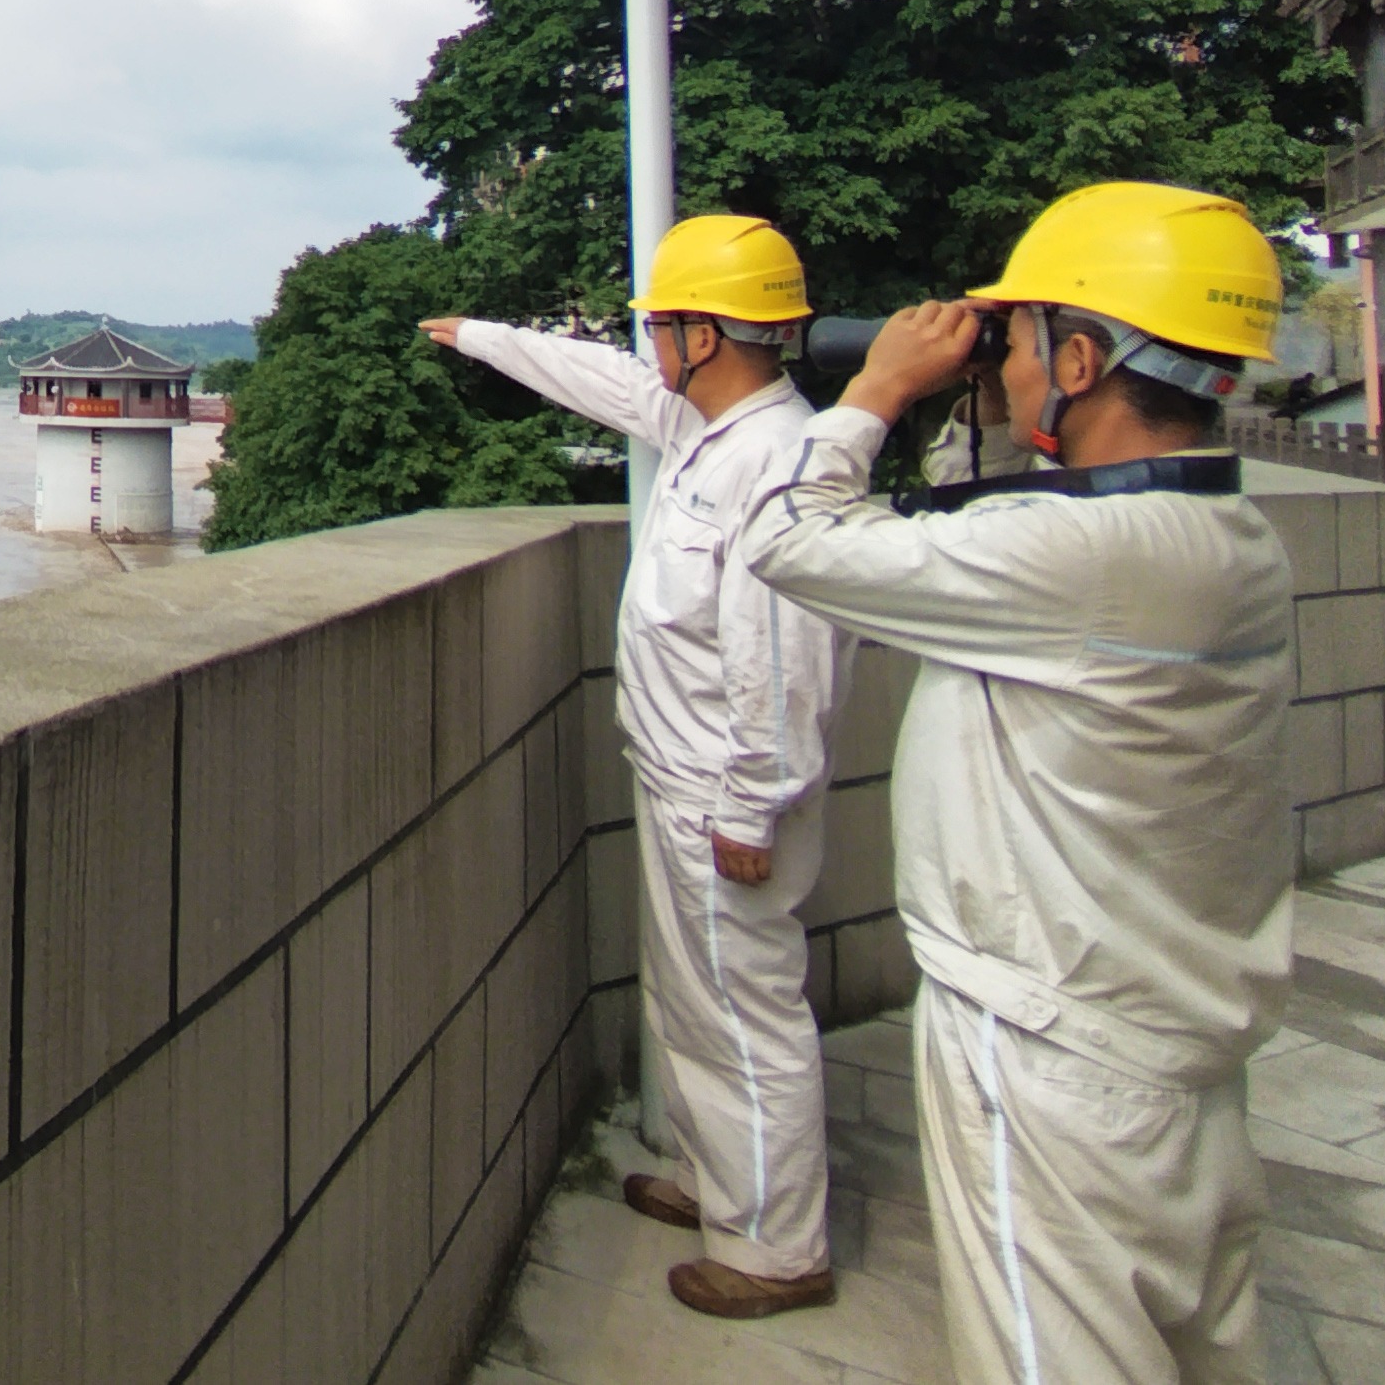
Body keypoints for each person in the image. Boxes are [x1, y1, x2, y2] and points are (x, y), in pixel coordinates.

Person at [734, 181, 1295, 1385]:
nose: (1006, 359)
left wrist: (878, 391)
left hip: (1053, 1050)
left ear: (1083, 358)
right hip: (1173, 1039)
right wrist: (997, 410)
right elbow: (1001, 516)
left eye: (1025, 337)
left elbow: (783, 540)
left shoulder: (1077, 558)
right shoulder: (1224, 538)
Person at [423, 214, 847, 1321]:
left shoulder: (778, 463)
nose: (649, 340)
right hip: (687, 780)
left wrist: (753, 806)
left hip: (728, 796)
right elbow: (601, 381)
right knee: (699, 1001)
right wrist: (480, 337)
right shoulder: (714, 427)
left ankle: (776, 1249)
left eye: (662, 323)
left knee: (745, 1010)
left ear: (704, 335)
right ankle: (719, 1184)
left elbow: (785, 662)